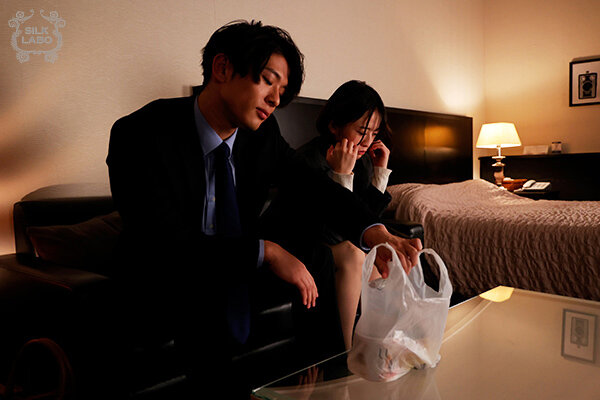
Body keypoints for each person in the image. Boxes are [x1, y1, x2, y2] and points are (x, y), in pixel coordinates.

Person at [106, 20, 422, 398]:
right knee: (208, 305)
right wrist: (266, 251)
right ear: (222, 68)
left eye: (282, 91)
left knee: (321, 257)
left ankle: (328, 379)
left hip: (233, 262)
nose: (274, 100)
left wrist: (376, 231)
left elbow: (312, 184)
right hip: (169, 272)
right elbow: (167, 242)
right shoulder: (140, 134)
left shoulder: (262, 135)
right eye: (268, 81)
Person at [295, 80, 404, 350]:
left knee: (378, 260)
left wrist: (380, 173)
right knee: (355, 254)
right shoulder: (307, 160)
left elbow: (364, 222)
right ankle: (342, 355)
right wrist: (341, 176)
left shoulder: (363, 159)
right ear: (334, 125)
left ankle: (379, 350)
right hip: (305, 243)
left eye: (374, 133)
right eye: (361, 131)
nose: (368, 141)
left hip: (340, 244)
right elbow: (334, 229)